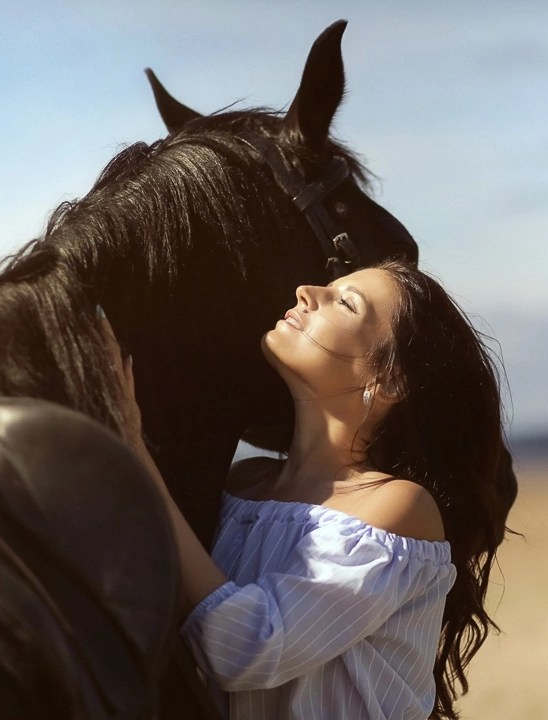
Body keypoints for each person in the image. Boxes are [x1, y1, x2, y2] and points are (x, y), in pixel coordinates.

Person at [102, 260, 518, 720]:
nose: (305, 290)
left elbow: (248, 647)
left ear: (389, 379)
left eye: (345, 302)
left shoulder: (396, 507)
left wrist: (130, 442)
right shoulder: (244, 484)